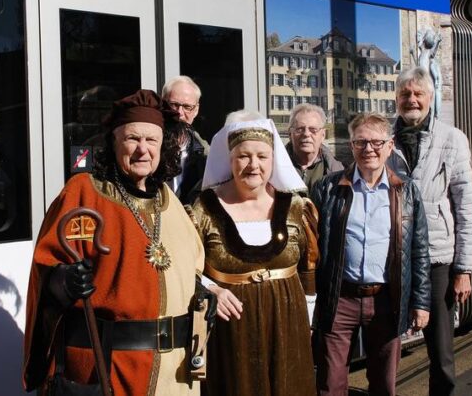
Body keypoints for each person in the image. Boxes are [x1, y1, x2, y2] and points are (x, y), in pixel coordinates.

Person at [23, 90, 211, 396]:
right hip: (105, 369)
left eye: (151, 140)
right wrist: (63, 281)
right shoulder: (84, 193)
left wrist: (200, 291)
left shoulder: (171, 203)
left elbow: (191, 268)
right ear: (113, 142)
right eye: (132, 139)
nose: (142, 150)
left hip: (174, 375)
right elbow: (46, 270)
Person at [190, 110, 319, 396]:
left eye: (262, 156)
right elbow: (186, 267)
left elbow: (308, 267)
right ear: (230, 160)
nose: (253, 165)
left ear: (274, 160)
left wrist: (307, 319)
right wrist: (211, 290)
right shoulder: (205, 208)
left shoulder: (296, 207)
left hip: (288, 321)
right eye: (243, 156)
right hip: (230, 330)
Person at [312, 112, 431, 396]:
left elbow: (419, 250)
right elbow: (312, 250)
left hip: (386, 301)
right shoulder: (327, 188)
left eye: (377, 143)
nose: (369, 149)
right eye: (361, 142)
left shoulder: (407, 191)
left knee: (383, 384)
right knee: (330, 383)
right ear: (351, 146)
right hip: (339, 299)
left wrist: (421, 302)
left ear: (390, 146)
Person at [388, 67, 472, 396]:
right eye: (404, 94)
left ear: (429, 98)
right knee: (388, 344)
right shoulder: (384, 139)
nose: (411, 99)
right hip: (394, 256)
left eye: (417, 94)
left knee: (440, 349)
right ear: (396, 99)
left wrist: (464, 269)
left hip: (438, 257)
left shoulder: (452, 139)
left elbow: (466, 206)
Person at [162, 75, 209, 204]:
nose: (179, 113)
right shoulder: (148, 148)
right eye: (174, 105)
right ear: (163, 104)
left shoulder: (206, 154)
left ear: (196, 110)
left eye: (187, 107)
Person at [286, 103, 344, 194]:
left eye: (313, 130)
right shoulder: (273, 167)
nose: (306, 134)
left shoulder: (338, 172)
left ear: (323, 135)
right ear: (290, 134)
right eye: (300, 129)